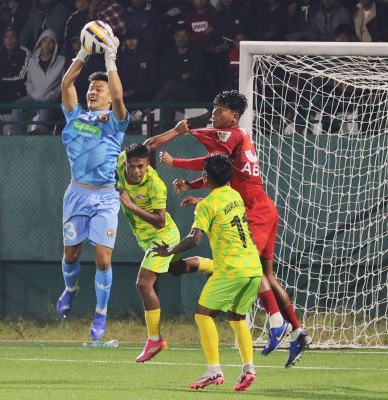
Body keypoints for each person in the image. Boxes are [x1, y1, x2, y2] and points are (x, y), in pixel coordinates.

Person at [146, 90, 309, 367]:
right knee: (266, 273)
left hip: (256, 211)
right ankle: (296, 331)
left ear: (233, 115)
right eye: (214, 107)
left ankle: (277, 322)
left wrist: (176, 163)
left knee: (251, 267)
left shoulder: (234, 135)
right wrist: (195, 186)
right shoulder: (234, 137)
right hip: (260, 207)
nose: (214, 112)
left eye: (219, 109)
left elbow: (212, 165)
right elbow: (223, 175)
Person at [151, 153, 261, 392]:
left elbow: (194, 239)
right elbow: (218, 205)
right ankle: (248, 368)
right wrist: (197, 201)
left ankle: (213, 370)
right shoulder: (235, 196)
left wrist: (169, 249)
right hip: (253, 267)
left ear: (204, 176)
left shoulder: (207, 205)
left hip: (231, 269)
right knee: (237, 317)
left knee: (203, 314)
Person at [55, 28, 128, 341]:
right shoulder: (75, 117)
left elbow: (121, 97)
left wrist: (110, 60)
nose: (93, 92)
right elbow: (65, 84)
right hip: (76, 195)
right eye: (92, 89)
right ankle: (70, 288)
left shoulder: (114, 123)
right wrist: (84, 52)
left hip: (105, 199)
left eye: (100, 89)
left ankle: (100, 315)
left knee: (102, 258)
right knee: (71, 255)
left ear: (109, 96)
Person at [116, 142, 214, 362]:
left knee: (143, 283)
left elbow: (160, 221)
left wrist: (131, 206)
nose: (136, 171)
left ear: (147, 164)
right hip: (144, 237)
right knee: (177, 269)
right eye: (132, 166)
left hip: (161, 237)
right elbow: (149, 142)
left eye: (141, 166)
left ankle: (154, 339)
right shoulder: (121, 160)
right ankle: (213, 266)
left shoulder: (155, 185)